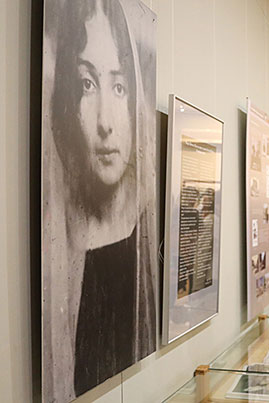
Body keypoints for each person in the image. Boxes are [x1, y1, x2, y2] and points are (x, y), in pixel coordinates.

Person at [43, 0, 156, 401]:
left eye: (119, 86)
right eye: (87, 84)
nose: (106, 122)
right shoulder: (58, 250)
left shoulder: (141, 232)